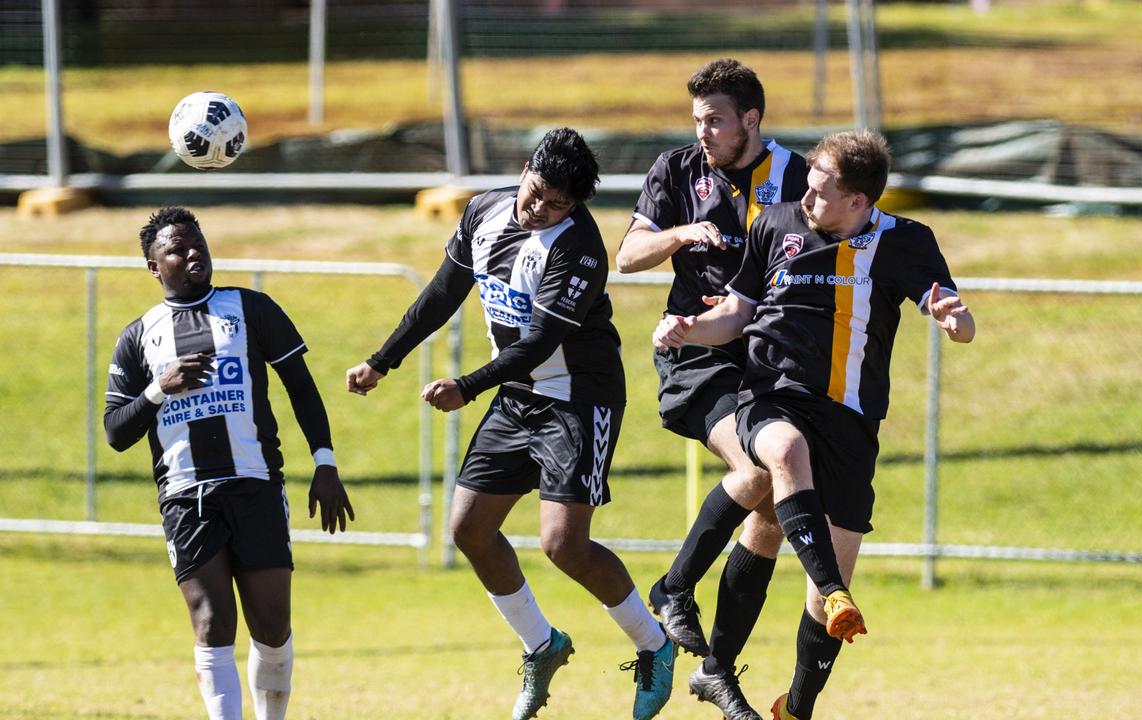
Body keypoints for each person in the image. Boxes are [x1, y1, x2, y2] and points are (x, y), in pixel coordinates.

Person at [345, 128, 674, 720]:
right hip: (515, 394)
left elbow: (540, 341)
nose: (540, 208)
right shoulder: (485, 210)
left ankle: (655, 645)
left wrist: (466, 387)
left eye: (557, 204)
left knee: (562, 545)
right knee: (469, 528)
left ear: (575, 207)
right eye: (538, 191)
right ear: (525, 169)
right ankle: (541, 646)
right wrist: (381, 359)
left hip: (578, 398)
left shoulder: (579, 248)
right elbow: (441, 294)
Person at [652, 129, 976, 720]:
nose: (806, 199)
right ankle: (819, 596)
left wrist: (956, 321)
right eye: (807, 186)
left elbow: (952, 311)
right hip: (772, 394)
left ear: (860, 202)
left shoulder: (906, 242)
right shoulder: (776, 224)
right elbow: (734, 313)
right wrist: (687, 329)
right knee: (783, 449)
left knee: (785, 536)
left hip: (851, 421)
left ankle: (794, 708)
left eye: (822, 192)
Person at [103, 207, 355, 720]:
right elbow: (115, 432)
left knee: (272, 624)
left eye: (198, 243)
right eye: (176, 248)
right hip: (185, 495)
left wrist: (325, 463)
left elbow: (302, 389)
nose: (192, 252)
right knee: (213, 619)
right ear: (154, 267)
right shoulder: (139, 336)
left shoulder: (252, 309)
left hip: (255, 483)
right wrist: (158, 389)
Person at [617, 57, 809, 720]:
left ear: (750, 120)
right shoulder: (675, 171)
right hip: (695, 354)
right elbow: (628, 256)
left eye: (715, 119)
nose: (702, 130)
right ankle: (672, 589)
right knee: (760, 467)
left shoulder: (799, 178)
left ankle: (718, 669)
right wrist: (678, 234)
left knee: (771, 513)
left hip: (769, 363)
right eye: (697, 118)